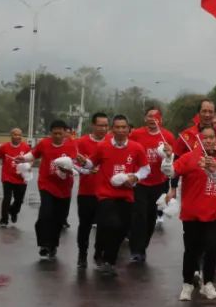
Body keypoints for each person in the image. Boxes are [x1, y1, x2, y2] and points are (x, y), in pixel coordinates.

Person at [77, 115, 149, 276]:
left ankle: (108, 260)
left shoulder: (136, 148)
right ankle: (106, 258)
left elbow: (146, 169)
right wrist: (84, 162)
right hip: (106, 194)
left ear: (128, 129)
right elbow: (91, 163)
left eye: (124, 127)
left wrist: (136, 177)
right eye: (117, 127)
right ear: (112, 129)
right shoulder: (103, 146)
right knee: (112, 224)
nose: (121, 130)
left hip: (126, 196)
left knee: (122, 229)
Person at [162, 124, 216, 301]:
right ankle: (187, 284)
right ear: (199, 140)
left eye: (212, 137)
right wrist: (168, 158)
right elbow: (171, 172)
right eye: (205, 138)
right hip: (192, 213)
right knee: (192, 250)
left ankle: (208, 283)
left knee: (212, 248)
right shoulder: (190, 157)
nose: (208, 141)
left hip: (214, 213)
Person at [21, 120, 81, 260]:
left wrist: (67, 170)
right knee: (45, 214)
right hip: (46, 184)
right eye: (55, 133)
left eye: (60, 133)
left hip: (64, 187)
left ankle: (53, 244)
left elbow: (74, 164)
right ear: (50, 133)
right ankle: (44, 244)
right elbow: (33, 154)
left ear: (65, 132)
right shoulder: (44, 143)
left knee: (59, 218)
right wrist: (22, 159)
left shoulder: (71, 145)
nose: (58, 136)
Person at [128, 108, 175, 263]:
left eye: (156, 116)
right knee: (139, 216)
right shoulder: (136, 134)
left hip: (159, 182)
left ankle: (143, 247)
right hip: (140, 181)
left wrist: (169, 154)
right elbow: (129, 153)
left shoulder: (167, 136)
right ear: (145, 118)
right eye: (149, 116)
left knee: (150, 217)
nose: (153, 119)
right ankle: (136, 250)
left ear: (161, 119)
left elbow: (173, 161)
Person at [75, 113, 109, 268]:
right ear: (93, 125)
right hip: (86, 192)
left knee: (104, 225)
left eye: (106, 125)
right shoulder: (81, 142)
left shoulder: (111, 143)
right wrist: (85, 169)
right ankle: (82, 254)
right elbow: (74, 164)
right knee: (85, 225)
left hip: (105, 193)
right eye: (100, 125)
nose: (103, 128)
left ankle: (99, 253)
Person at [0, 127, 31, 227]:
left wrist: (28, 167)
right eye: (15, 134)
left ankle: (13, 211)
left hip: (21, 178)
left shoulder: (26, 147)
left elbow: (31, 159)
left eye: (19, 135)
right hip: (7, 177)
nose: (17, 137)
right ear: (11, 136)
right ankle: (4, 220)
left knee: (19, 200)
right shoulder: (4, 147)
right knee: (7, 198)